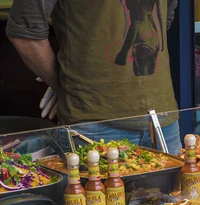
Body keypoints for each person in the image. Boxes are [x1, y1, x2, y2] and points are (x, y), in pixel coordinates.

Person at [6, 0, 182, 154]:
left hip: (163, 121)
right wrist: (62, 83)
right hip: (95, 125)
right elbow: (25, 33)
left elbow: (166, 13)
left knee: (178, 192)